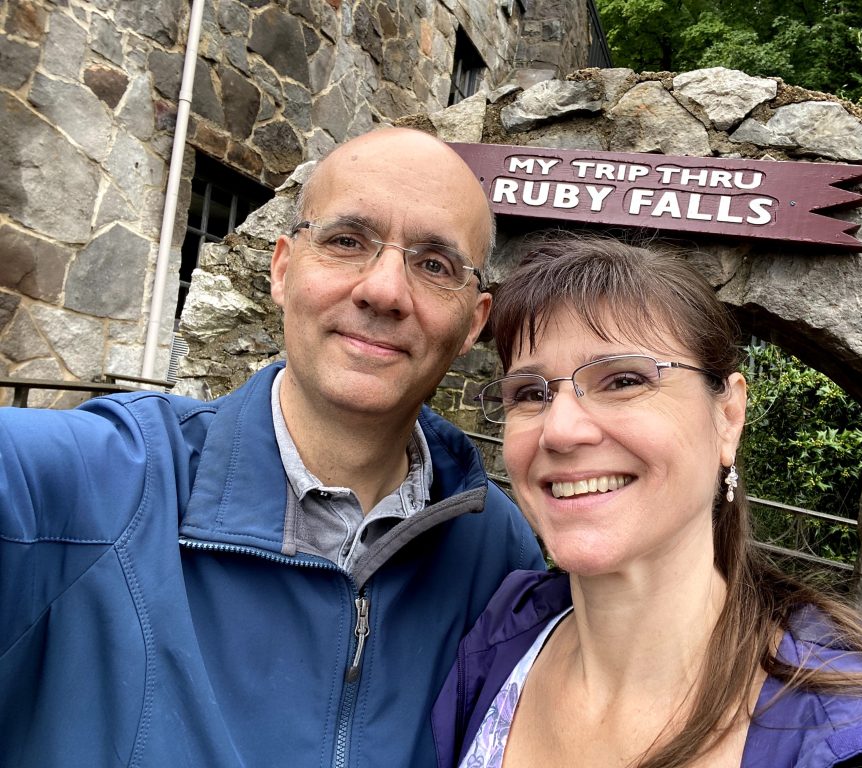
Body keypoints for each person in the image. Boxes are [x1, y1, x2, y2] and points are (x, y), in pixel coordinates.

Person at [0, 127, 544, 767]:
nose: (384, 291)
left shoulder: (498, 555)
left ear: (473, 323)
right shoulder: (88, 484)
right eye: (347, 241)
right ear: (282, 268)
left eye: (434, 265)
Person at [431, 233, 862, 768]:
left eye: (624, 380)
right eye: (530, 393)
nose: (561, 431)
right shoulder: (495, 641)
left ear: (728, 415)